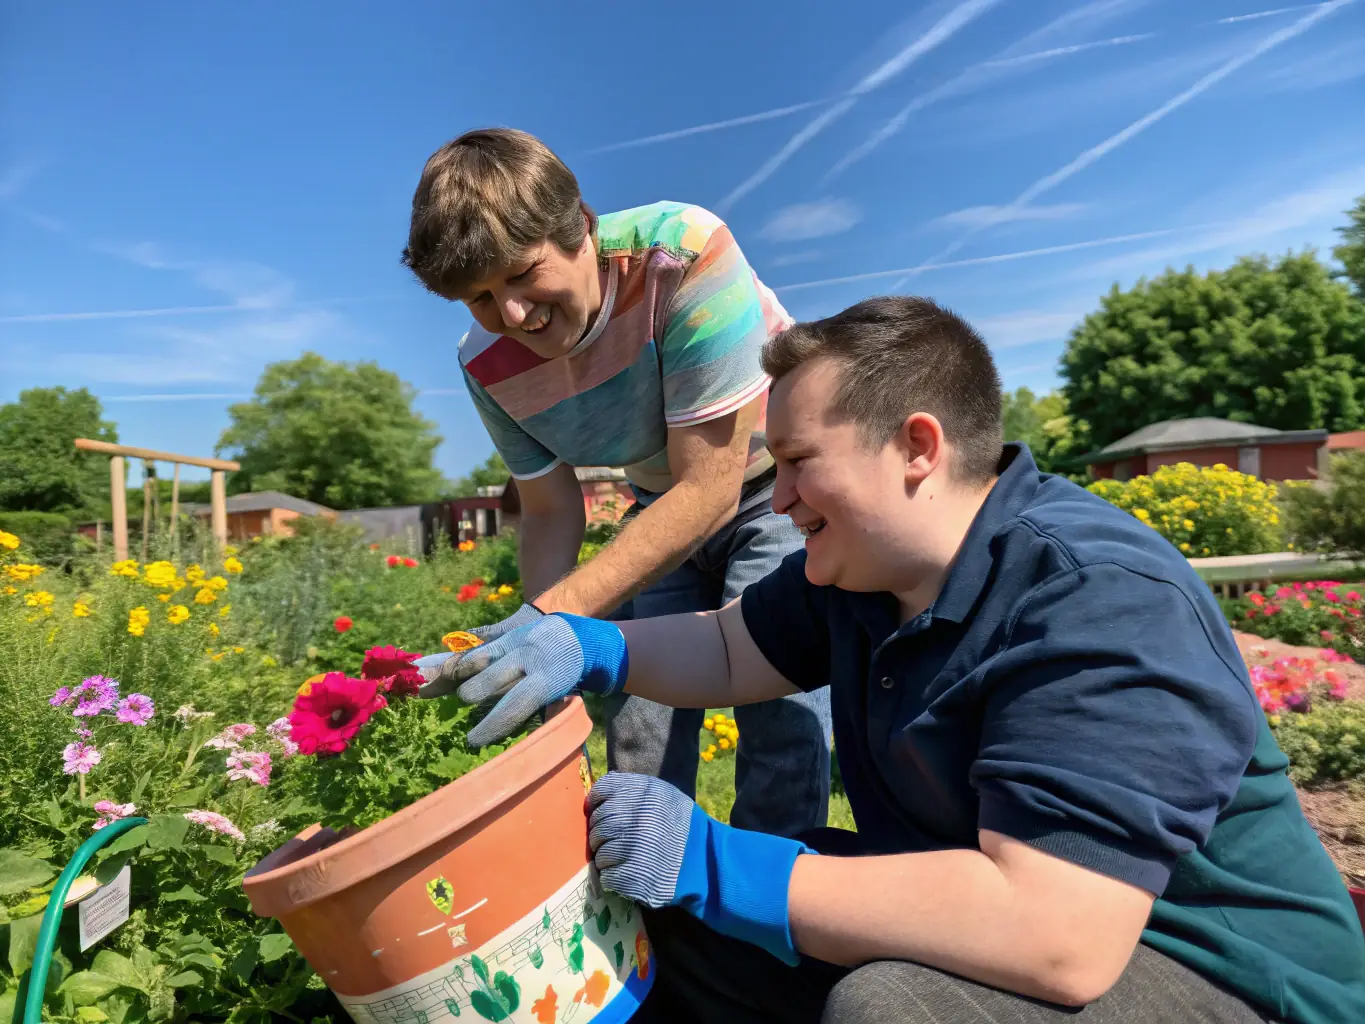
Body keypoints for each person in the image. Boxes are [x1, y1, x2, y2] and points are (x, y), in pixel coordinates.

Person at [418, 295, 1365, 1023]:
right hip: (1000, 906)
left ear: (916, 446)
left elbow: (1057, 937)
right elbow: (727, 647)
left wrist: (708, 856)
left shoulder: (1095, 597)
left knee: (894, 1008)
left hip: (1220, 973)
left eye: (797, 461)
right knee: (664, 923)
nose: (776, 499)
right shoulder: (866, 573)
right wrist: (587, 644)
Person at [400, 127, 831, 839]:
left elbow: (712, 487)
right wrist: (539, 652)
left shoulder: (682, 253)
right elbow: (548, 511)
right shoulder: (485, 364)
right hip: (661, 505)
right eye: (479, 297)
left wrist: (549, 622)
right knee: (639, 722)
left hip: (778, 491)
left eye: (522, 273)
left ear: (581, 227)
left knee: (777, 705)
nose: (512, 315)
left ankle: (780, 893)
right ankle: (641, 887)